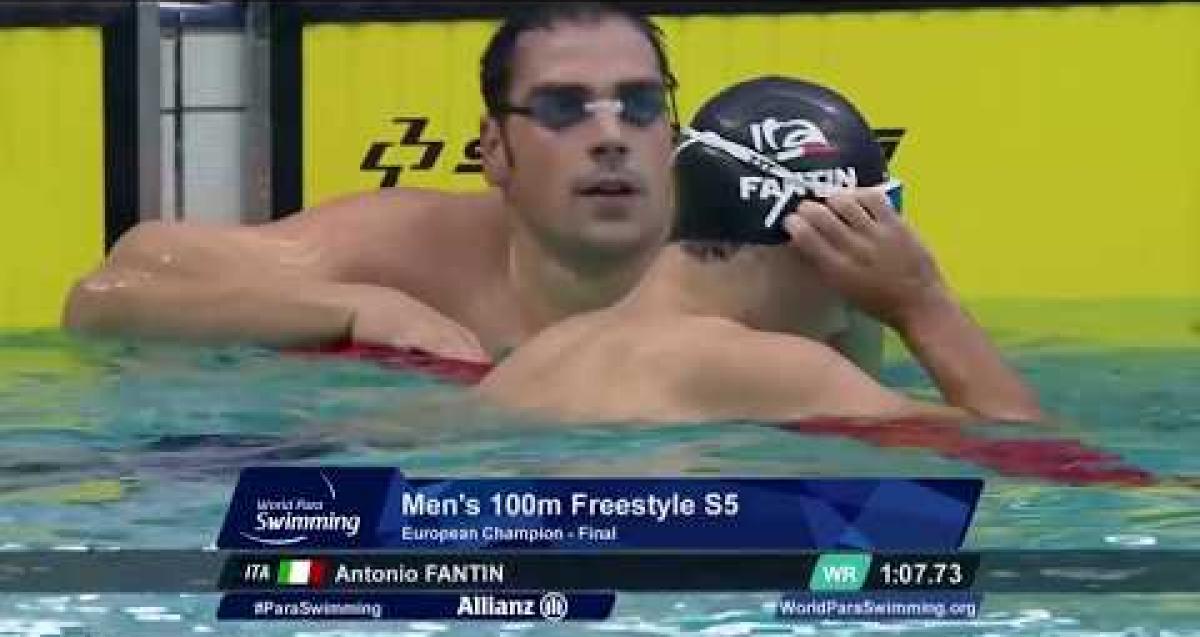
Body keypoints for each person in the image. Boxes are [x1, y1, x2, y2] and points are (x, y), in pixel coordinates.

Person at [61, 3, 881, 370]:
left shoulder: (762, 256)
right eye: (564, 107)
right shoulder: (412, 250)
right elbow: (114, 292)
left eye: (638, 103)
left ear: (670, 130)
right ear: (494, 148)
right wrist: (354, 309)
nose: (609, 134)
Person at [476, 77, 1043, 424]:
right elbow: (1044, 465)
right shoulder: (780, 373)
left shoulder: (543, 356)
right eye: (877, 222)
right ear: (822, 229)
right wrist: (923, 304)